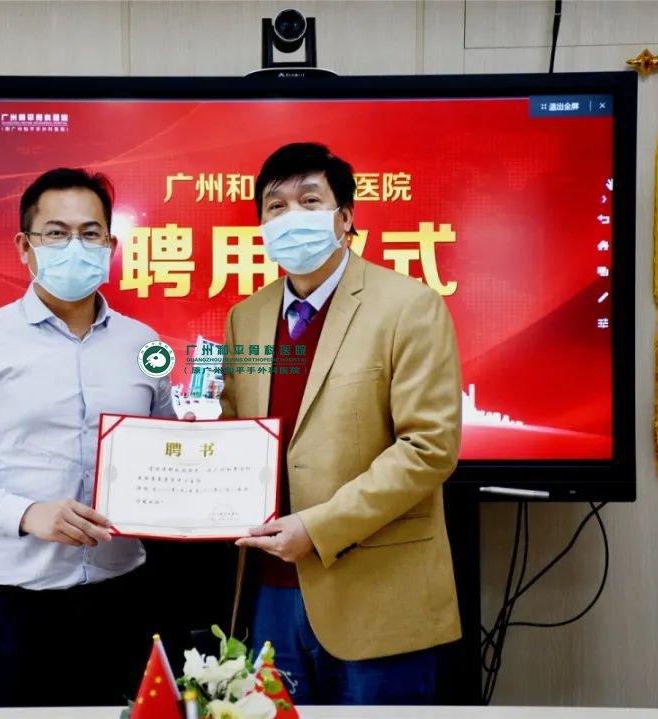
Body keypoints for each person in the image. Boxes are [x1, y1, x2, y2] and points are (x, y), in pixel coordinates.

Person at [0, 168, 177, 707]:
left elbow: (165, 446)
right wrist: (28, 514)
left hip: (120, 599)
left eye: (90, 233)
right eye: (56, 233)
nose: (74, 246)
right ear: (24, 246)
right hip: (9, 609)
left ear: (111, 246)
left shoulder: (145, 344)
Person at [220, 143, 463, 704]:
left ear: (345, 219)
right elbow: (237, 435)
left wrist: (318, 528)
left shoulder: (408, 306)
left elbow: (428, 448)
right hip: (268, 592)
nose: (291, 216)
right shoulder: (245, 318)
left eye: (310, 201)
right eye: (276, 206)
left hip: (377, 592)